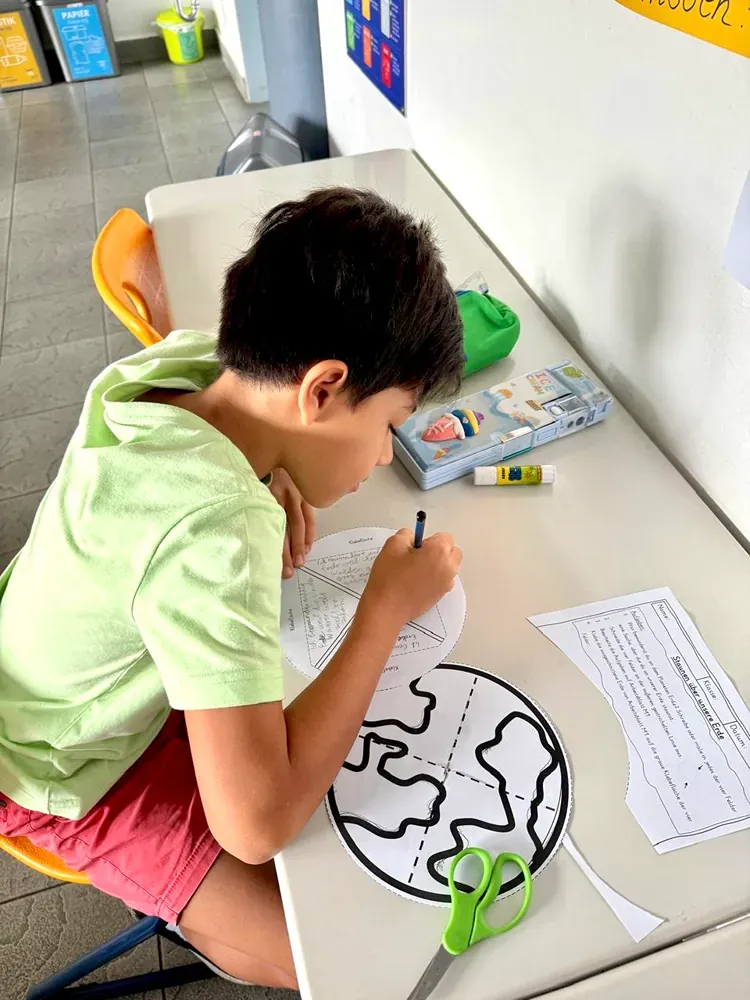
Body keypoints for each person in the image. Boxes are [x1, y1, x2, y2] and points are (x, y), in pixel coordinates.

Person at [0, 188, 464, 988]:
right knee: (354, 965)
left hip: (34, 660)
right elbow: (256, 825)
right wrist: (384, 607)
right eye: (389, 423)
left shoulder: (178, 364)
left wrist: (271, 466)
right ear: (320, 390)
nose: (386, 457)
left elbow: (192, 486)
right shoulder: (217, 530)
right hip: (59, 765)